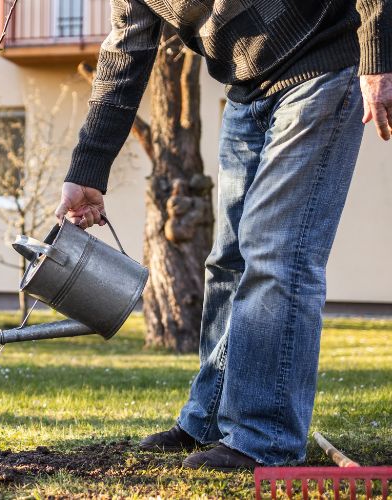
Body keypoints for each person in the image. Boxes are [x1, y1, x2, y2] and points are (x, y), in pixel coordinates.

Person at [54, 1, 391, 471]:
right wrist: (88, 168)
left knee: (277, 256)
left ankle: (265, 439)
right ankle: (208, 419)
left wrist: (378, 55)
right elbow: (125, 51)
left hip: (321, 64)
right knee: (227, 263)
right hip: (246, 90)